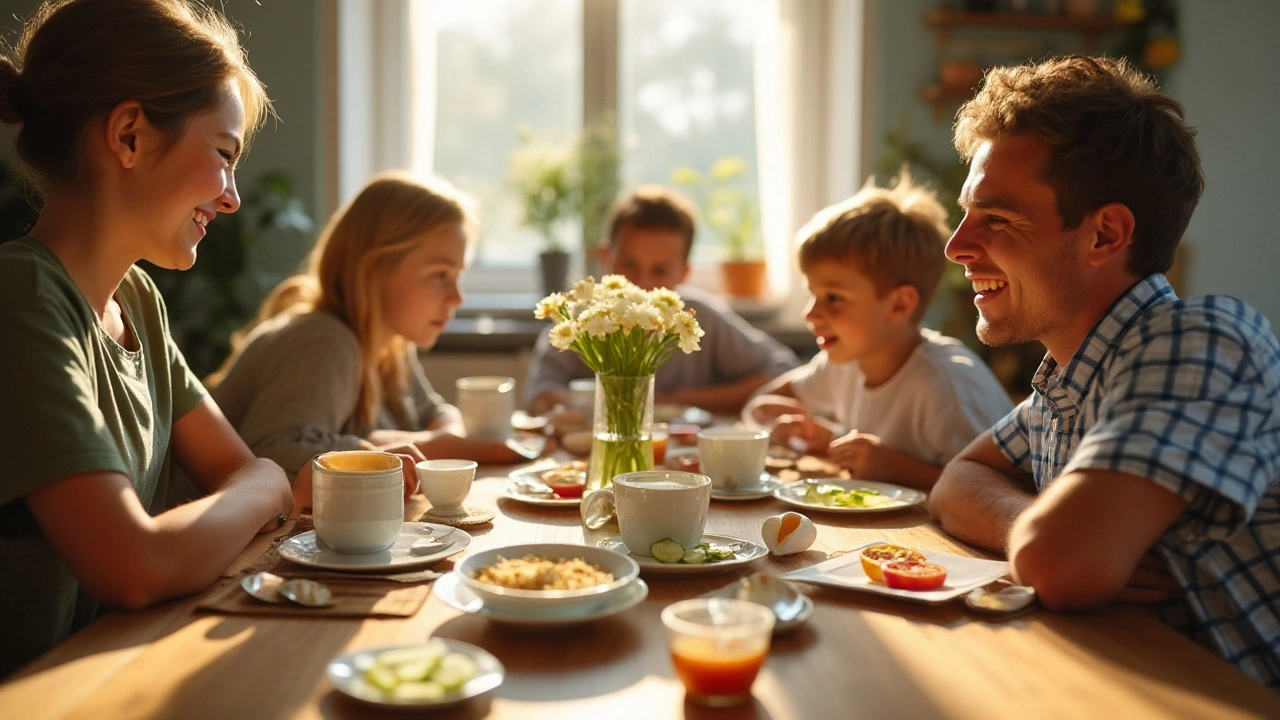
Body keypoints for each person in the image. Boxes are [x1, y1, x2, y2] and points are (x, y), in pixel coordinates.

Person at [927, 56, 1280, 688]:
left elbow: (1060, 566)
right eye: (965, 213)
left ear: (1104, 234)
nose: (956, 245)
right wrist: (1023, 523)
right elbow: (959, 480)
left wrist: (1047, 542)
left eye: (997, 218)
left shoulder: (1200, 341)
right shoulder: (1070, 376)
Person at [0, 0, 299, 678]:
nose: (232, 197)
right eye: (224, 155)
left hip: (101, 675)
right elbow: (137, 566)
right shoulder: (21, 300)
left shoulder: (138, 301)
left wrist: (259, 481)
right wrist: (270, 480)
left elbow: (236, 470)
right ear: (129, 135)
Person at [209, 171, 524, 507]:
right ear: (374, 269)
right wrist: (430, 445)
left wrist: (432, 435)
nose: (457, 297)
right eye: (440, 275)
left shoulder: (392, 344)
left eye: (458, 275)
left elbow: (434, 413)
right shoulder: (323, 341)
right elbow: (269, 452)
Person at [743, 174, 1012, 489]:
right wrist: (807, 431)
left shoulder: (945, 385)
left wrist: (896, 468)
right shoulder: (843, 362)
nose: (810, 314)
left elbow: (990, 487)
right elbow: (760, 403)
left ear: (899, 305)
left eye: (833, 298)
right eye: (812, 294)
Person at [523, 185, 799, 417]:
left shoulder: (699, 318)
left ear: (684, 273)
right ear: (606, 257)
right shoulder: (580, 321)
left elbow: (783, 371)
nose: (642, 283)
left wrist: (677, 399)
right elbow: (539, 391)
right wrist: (568, 406)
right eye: (629, 265)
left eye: (660, 270)